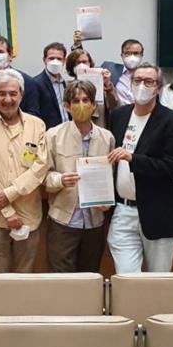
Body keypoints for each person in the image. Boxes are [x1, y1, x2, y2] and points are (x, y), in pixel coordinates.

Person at [106, 62, 173, 273]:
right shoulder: (119, 115)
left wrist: (134, 159)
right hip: (123, 210)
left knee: (158, 283)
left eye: (149, 81)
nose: (142, 85)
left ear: (159, 87)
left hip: (158, 212)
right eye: (137, 80)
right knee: (126, 280)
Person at [0, 69, 48, 273]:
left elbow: (40, 167)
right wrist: (7, 210)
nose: (8, 99)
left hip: (28, 217)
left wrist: (9, 194)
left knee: (24, 277)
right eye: (2, 93)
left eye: (13, 93)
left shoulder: (37, 125)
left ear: (21, 94)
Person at [44, 80, 115, 273]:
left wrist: (107, 200)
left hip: (95, 220)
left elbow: (111, 177)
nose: (81, 105)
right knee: (61, 279)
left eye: (86, 100)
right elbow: (43, 177)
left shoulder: (107, 137)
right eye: (75, 101)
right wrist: (60, 180)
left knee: (90, 276)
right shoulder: (53, 136)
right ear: (66, 105)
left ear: (94, 105)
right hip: (64, 219)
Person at [65, 49, 117, 128]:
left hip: (99, 129)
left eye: (85, 62)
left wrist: (107, 85)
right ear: (72, 65)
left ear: (90, 63)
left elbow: (114, 106)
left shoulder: (101, 84)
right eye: (78, 62)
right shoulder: (67, 86)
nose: (82, 65)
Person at [100, 39, 146, 107]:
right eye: (128, 53)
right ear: (122, 55)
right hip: (118, 114)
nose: (132, 57)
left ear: (141, 55)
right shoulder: (111, 69)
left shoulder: (147, 75)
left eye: (136, 53)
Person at [34, 42, 69, 130]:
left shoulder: (65, 83)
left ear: (64, 61)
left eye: (59, 58)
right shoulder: (36, 83)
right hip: (49, 134)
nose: (55, 62)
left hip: (67, 131)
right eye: (51, 58)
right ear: (44, 60)